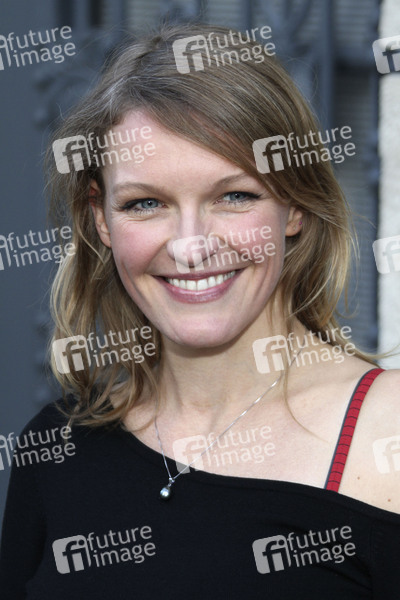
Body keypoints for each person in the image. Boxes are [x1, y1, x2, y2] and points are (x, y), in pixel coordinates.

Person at [1, 22, 399, 599]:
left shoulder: (385, 433)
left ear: (294, 207)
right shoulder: (59, 446)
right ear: (100, 219)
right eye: (146, 203)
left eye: (234, 196)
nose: (191, 247)